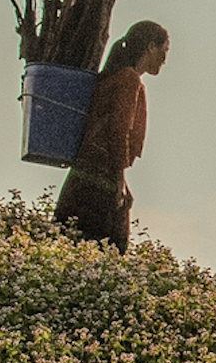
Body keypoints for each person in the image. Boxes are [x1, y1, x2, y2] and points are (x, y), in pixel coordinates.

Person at [54, 20, 168, 251]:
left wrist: (122, 183)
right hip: (100, 178)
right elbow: (118, 130)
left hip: (83, 173)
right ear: (150, 47)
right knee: (109, 250)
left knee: (69, 243)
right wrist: (118, 181)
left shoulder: (113, 77)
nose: (165, 59)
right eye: (164, 50)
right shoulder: (128, 80)